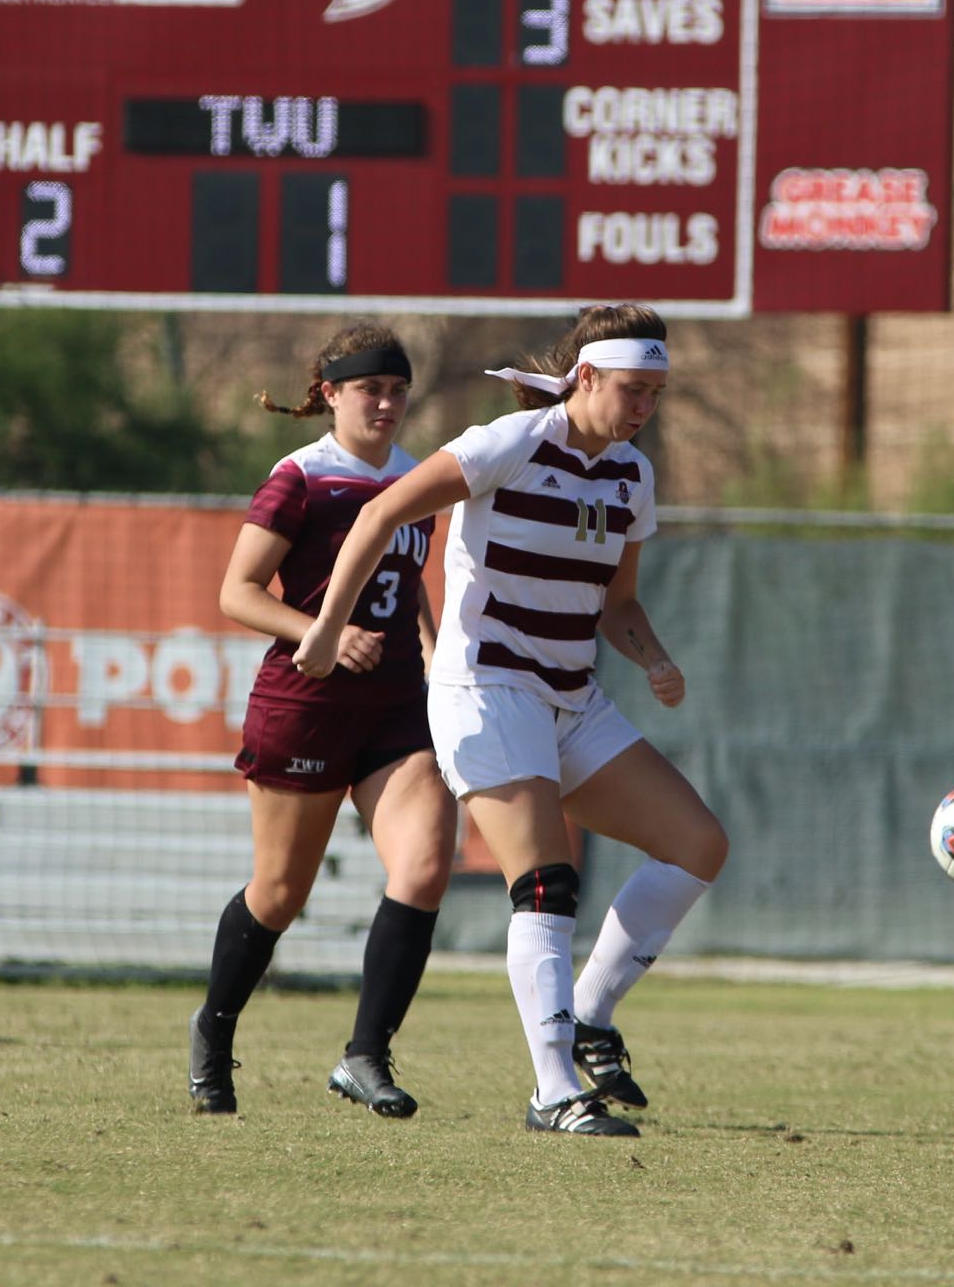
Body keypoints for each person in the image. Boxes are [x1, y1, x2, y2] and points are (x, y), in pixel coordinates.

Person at [294, 304, 727, 1137]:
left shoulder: (631, 474)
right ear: (588, 377)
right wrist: (323, 629)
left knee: (698, 844)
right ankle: (554, 1089)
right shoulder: (512, 441)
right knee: (544, 882)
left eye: (658, 394)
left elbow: (620, 603)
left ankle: (592, 1014)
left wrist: (655, 659)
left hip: (570, 696)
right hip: (487, 689)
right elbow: (381, 514)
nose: (645, 408)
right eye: (632, 390)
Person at [191, 323, 458, 1118]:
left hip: (395, 709)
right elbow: (237, 592)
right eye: (370, 389)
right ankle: (214, 1030)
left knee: (426, 862)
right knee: (279, 894)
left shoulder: (419, 477)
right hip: (305, 707)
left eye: (398, 390)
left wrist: (436, 656)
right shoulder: (301, 477)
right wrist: (326, 636)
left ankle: (365, 1056)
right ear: (331, 395)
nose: (386, 403)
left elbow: (404, 584)